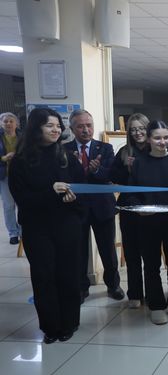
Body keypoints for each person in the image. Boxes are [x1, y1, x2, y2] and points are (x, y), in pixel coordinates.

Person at [9, 107, 84, 343]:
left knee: (68, 275)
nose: (56, 129)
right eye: (49, 125)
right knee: (44, 276)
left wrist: (74, 199)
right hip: (37, 228)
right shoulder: (20, 161)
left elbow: (80, 188)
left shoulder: (66, 157)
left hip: (66, 226)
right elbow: (23, 200)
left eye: (58, 125)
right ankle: (51, 327)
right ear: (36, 128)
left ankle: (70, 323)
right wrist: (51, 193)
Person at [128, 120, 168, 325]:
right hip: (148, 224)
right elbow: (132, 193)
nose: (162, 142)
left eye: (165, 137)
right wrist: (140, 209)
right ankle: (156, 304)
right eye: (157, 137)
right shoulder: (139, 163)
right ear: (148, 138)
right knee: (152, 265)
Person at [65, 109, 124, 303]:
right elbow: (64, 178)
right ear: (72, 128)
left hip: (102, 207)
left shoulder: (105, 148)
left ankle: (113, 285)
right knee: (78, 251)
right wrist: (77, 167)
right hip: (76, 208)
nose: (85, 130)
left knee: (108, 250)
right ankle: (81, 288)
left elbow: (110, 175)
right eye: (80, 126)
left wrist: (96, 170)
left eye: (89, 125)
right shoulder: (64, 150)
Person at [109, 113, 150, 308]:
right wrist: (127, 169)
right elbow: (113, 177)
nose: (138, 132)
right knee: (132, 255)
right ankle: (135, 293)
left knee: (150, 257)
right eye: (133, 129)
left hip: (151, 210)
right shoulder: (124, 152)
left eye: (141, 128)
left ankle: (152, 293)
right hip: (129, 210)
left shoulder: (156, 149)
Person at [0, 112, 21, 244]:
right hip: (5, 176)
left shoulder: (23, 137)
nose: (8, 123)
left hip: (22, 176)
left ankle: (24, 231)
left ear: (16, 123)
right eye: (5, 121)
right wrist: (3, 158)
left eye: (11, 121)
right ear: (1, 124)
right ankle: (13, 233)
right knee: (9, 206)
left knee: (22, 204)